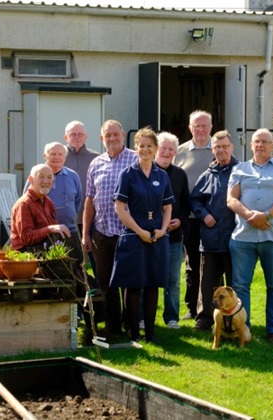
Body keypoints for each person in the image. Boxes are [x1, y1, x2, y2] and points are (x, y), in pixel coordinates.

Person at [227, 129, 273, 343]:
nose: (261, 145)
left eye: (265, 142)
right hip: (243, 238)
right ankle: (243, 329)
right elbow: (231, 199)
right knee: (240, 286)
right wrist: (250, 215)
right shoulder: (239, 169)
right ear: (250, 145)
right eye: (257, 141)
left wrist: (265, 215)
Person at [110, 127, 175, 343]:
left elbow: (167, 207)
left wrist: (163, 229)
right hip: (133, 236)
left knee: (152, 284)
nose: (145, 150)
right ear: (135, 148)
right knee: (134, 284)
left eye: (150, 146)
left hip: (157, 237)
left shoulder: (162, 175)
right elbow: (120, 208)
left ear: (155, 148)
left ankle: (150, 333)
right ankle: (134, 333)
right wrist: (139, 231)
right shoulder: (127, 174)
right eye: (141, 146)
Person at [82, 119, 138, 339]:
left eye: (116, 134)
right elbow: (89, 200)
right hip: (102, 233)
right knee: (106, 283)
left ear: (123, 135)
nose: (112, 138)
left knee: (130, 282)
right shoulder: (96, 163)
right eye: (108, 135)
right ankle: (113, 328)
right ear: (101, 138)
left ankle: (132, 327)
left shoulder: (135, 159)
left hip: (129, 233)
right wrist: (86, 233)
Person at [189, 130, 239, 331]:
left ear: (231, 148)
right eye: (217, 147)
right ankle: (205, 317)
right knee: (208, 281)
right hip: (210, 239)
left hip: (235, 238)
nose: (221, 150)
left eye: (225, 146)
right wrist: (203, 214)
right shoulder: (207, 175)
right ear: (212, 149)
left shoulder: (241, 171)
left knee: (234, 283)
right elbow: (195, 199)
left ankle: (234, 318)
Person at [172, 110, 216, 322]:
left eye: (204, 125)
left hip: (214, 219)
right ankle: (192, 307)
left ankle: (212, 305)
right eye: (196, 126)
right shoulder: (180, 152)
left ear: (211, 127)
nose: (200, 129)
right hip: (188, 218)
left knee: (213, 264)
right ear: (190, 128)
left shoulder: (218, 150)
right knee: (192, 263)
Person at [22, 142, 84, 278]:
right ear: (45, 155)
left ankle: (78, 297)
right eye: (53, 154)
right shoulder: (36, 175)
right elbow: (27, 200)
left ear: (65, 157)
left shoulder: (73, 176)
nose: (57, 157)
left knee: (76, 268)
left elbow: (78, 200)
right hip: (44, 236)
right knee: (49, 271)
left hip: (70, 231)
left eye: (60, 154)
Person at [154, 132, 191, 330]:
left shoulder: (179, 174)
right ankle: (143, 317)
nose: (167, 152)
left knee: (172, 280)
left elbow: (186, 203)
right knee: (148, 277)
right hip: (149, 236)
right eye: (163, 148)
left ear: (176, 152)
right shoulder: (146, 172)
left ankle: (171, 318)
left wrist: (181, 220)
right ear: (155, 149)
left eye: (171, 149)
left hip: (174, 237)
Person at [63, 120, 100, 277]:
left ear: (86, 137)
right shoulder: (58, 156)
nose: (76, 137)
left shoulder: (97, 158)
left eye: (80, 134)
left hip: (93, 218)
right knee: (70, 260)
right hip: (68, 219)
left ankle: (101, 294)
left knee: (97, 261)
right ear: (66, 137)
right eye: (73, 134)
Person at [10, 164, 71, 253]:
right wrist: (49, 229)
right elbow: (26, 239)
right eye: (41, 177)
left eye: (49, 177)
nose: (46, 181)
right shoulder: (24, 204)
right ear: (31, 180)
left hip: (44, 249)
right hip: (25, 256)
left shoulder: (47, 201)